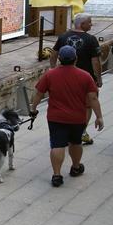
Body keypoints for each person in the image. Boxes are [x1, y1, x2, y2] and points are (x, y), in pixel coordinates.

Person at [31, 46, 104, 187]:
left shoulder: (50, 75)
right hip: (78, 117)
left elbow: (38, 93)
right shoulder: (85, 76)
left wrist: (33, 109)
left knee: (57, 144)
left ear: (59, 59)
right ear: (76, 59)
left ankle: (57, 175)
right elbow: (93, 98)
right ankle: (76, 167)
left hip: (56, 117)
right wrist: (99, 116)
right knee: (76, 142)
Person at [51, 13, 102, 145]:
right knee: (87, 105)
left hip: (64, 78)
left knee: (67, 103)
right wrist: (98, 78)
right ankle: (81, 132)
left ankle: (66, 130)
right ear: (82, 24)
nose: (91, 24)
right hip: (86, 79)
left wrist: (52, 70)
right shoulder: (91, 39)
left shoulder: (63, 37)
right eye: (89, 22)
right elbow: (96, 61)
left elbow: (54, 54)